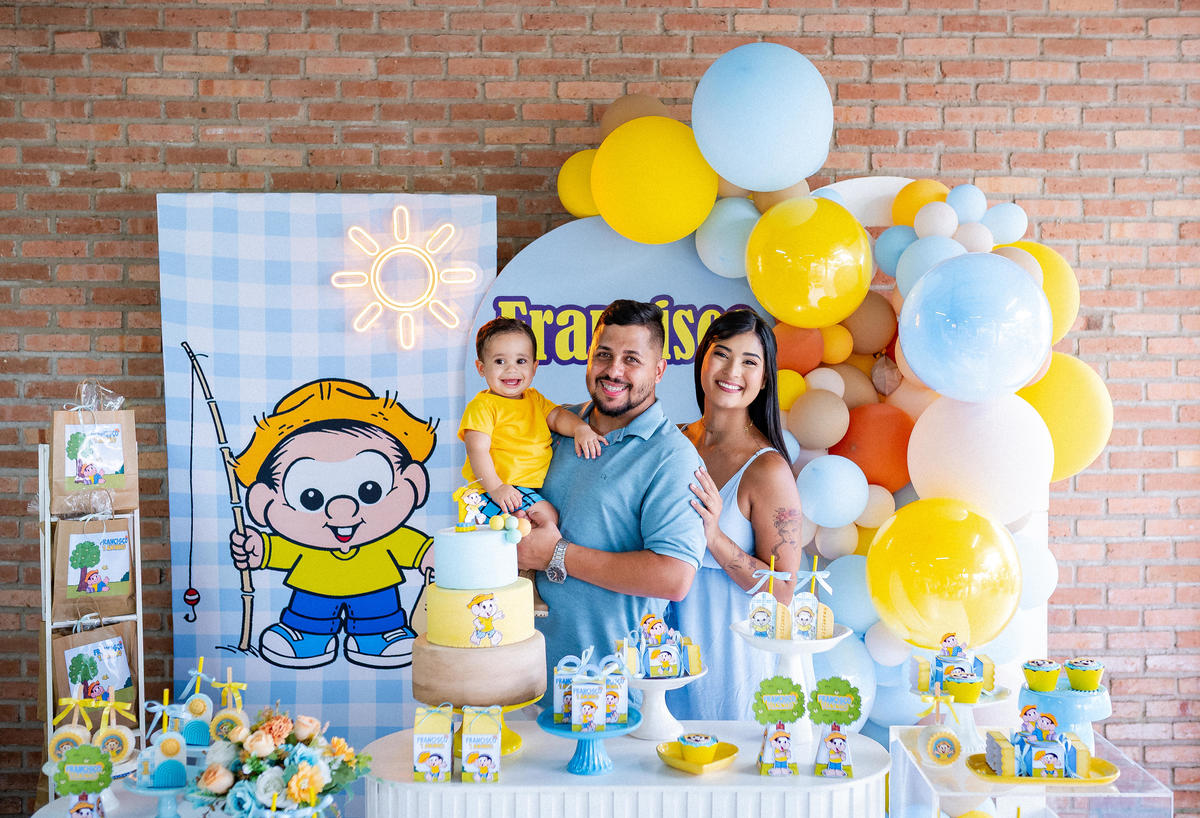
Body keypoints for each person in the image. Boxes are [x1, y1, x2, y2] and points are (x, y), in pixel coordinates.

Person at [516, 299, 707, 695]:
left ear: (659, 370)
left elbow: (674, 577)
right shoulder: (553, 425)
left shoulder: (672, 456)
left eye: (631, 359)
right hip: (517, 678)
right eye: (603, 354)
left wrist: (555, 554)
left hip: (609, 692)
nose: (614, 370)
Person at [665, 309, 804, 720]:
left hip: (730, 652)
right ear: (702, 360)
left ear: (764, 379)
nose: (732, 371)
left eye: (749, 361)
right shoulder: (672, 440)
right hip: (665, 645)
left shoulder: (768, 469)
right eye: (722, 354)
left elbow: (783, 591)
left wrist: (714, 537)